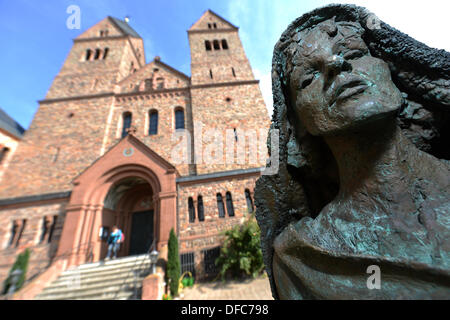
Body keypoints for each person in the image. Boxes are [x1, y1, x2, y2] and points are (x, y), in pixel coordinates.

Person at [255, 4, 450, 299]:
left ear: (393, 73)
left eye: (354, 53)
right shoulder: (302, 259)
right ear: (299, 125)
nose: (335, 64)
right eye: (308, 78)